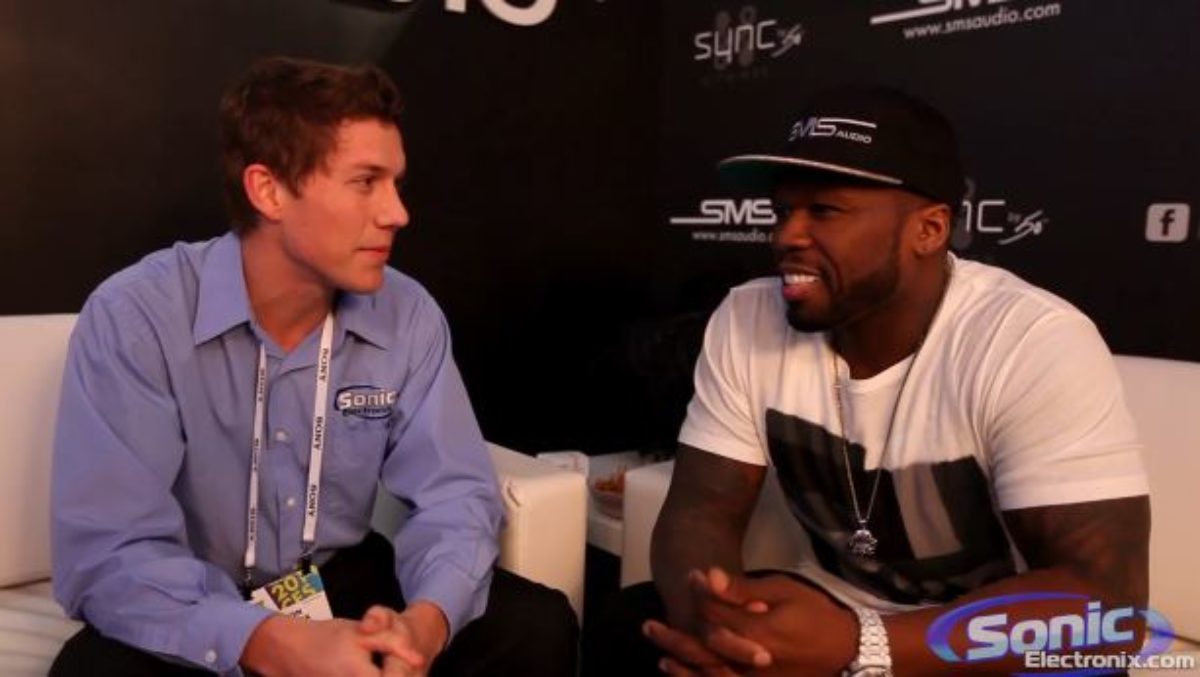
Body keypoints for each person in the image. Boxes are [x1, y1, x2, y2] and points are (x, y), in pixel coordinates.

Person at [589, 86, 1150, 676]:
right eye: (782, 211)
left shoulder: (1030, 341)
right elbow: (701, 510)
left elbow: (1108, 608)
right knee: (634, 625)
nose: (786, 236)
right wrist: (723, 632)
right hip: (839, 608)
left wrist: (864, 646)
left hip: (983, 647)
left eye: (824, 211)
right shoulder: (746, 317)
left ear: (929, 230)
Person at [50, 56, 577, 677]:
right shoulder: (136, 316)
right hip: (198, 597)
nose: (397, 212)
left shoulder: (407, 313)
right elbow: (112, 553)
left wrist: (424, 626)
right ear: (268, 190)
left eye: (396, 183)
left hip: (335, 580)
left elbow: (455, 495)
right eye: (365, 182)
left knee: (536, 626)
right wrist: (274, 644)